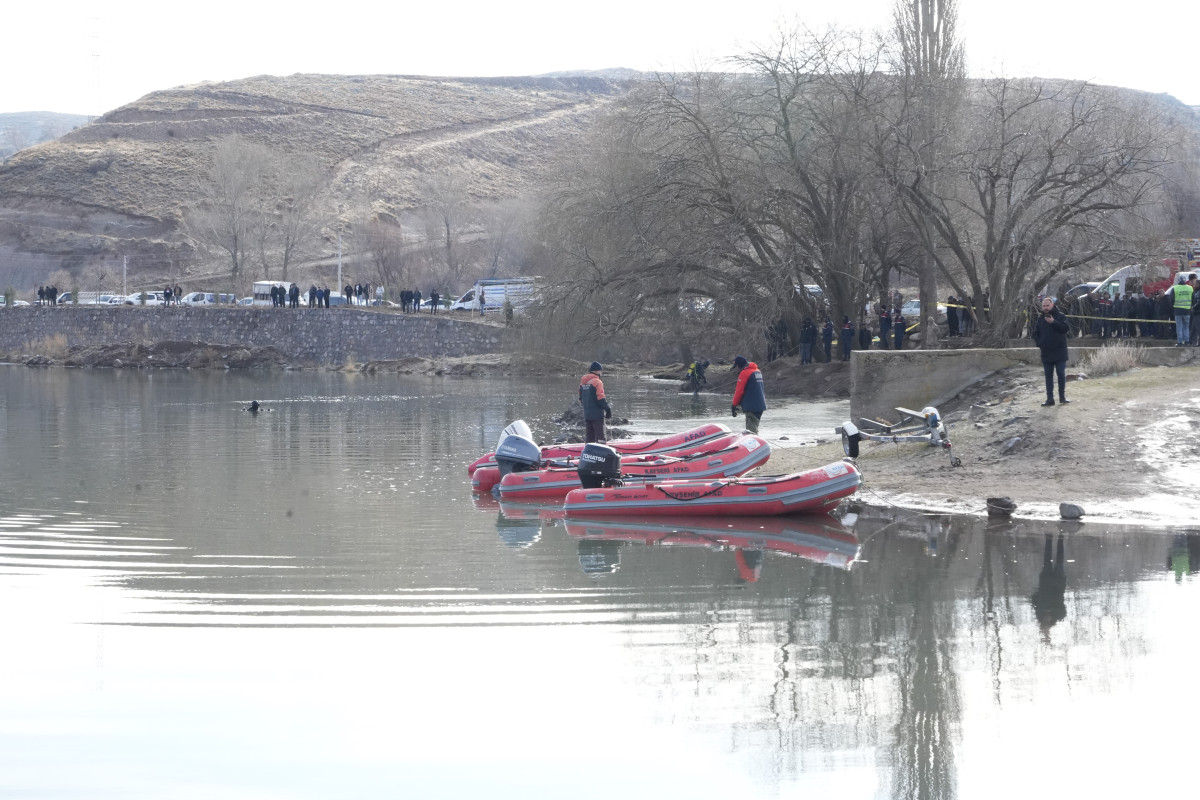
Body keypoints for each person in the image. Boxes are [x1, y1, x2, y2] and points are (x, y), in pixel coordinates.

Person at [1032, 296, 1070, 406]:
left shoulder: (1061, 316)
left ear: (1052, 305)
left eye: (1047, 305)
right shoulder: (1040, 319)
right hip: (1046, 352)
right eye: (1044, 306)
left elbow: (1065, 329)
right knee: (1048, 376)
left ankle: (1062, 397)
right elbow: (1035, 334)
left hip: (1060, 351)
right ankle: (1050, 399)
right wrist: (1040, 343)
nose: (1045, 308)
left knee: (1061, 374)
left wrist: (1053, 322)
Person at [730, 355, 766, 434]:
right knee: (754, 426)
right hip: (760, 405)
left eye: (737, 366)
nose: (737, 369)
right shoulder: (757, 371)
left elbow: (739, 391)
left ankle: (755, 445)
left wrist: (734, 405)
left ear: (739, 365)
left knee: (751, 432)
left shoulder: (745, 373)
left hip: (751, 406)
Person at [579, 361, 612, 443]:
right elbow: (601, 398)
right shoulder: (597, 382)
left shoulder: (582, 383)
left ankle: (588, 453)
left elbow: (580, 399)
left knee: (590, 438)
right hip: (597, 415)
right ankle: (602, 453)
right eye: (601, 371)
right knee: (601, 438)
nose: (601, 373)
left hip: (587, 415)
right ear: (598, 371)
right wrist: (608, 409)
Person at [1164, 275, 1193, 346]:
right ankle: (1187, 342)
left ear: (1178, 280)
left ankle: (1180, 342)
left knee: (1179, 327)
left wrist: (1173, 307)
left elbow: (1171, 300)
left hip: (1177, 311)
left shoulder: (1175, 288)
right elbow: (1194, 299)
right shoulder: (1190, 288)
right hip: (1187, 311)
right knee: (1186, 327)